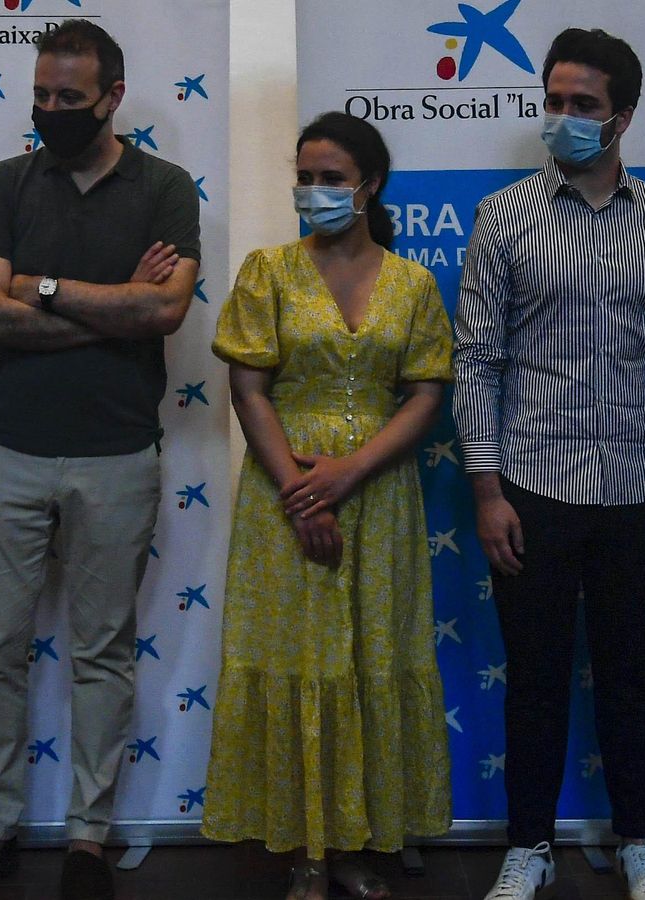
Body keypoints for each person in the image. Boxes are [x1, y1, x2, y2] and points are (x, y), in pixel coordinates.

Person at [0, 19, 201, 900]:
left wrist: (39, 286)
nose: (50, 111)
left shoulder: (166, 188)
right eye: (40, 95)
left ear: (113, 97)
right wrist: (114, 300)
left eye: (69, 99)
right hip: (6, 448)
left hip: (119, 454)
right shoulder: (7, 183)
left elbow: (164, 316)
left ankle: (90, 837)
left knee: (102, 655)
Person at [453, 27, 645, 900]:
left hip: (640, 483)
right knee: (537, 677)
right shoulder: (504, 217)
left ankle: (640, 840)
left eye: (582, 105)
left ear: (623, 116)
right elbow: (476, 358)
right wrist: (486, 488)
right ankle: (529, 846)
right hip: (532, 483)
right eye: (553, 101)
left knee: (633, 677)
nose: (562, 118)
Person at [200, 111, 454, 900]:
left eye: (330, 178)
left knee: (369, 659)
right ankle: (306, 848)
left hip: (379, 498)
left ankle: (357, 845)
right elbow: (248, 386)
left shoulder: (411, 282)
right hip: (286, 501)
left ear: (367, 185)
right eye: (304, 177)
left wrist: (350, 473)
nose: (313, 191)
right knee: (301, 661)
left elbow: (426, 392)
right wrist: (299, 491)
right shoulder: (267, 271)